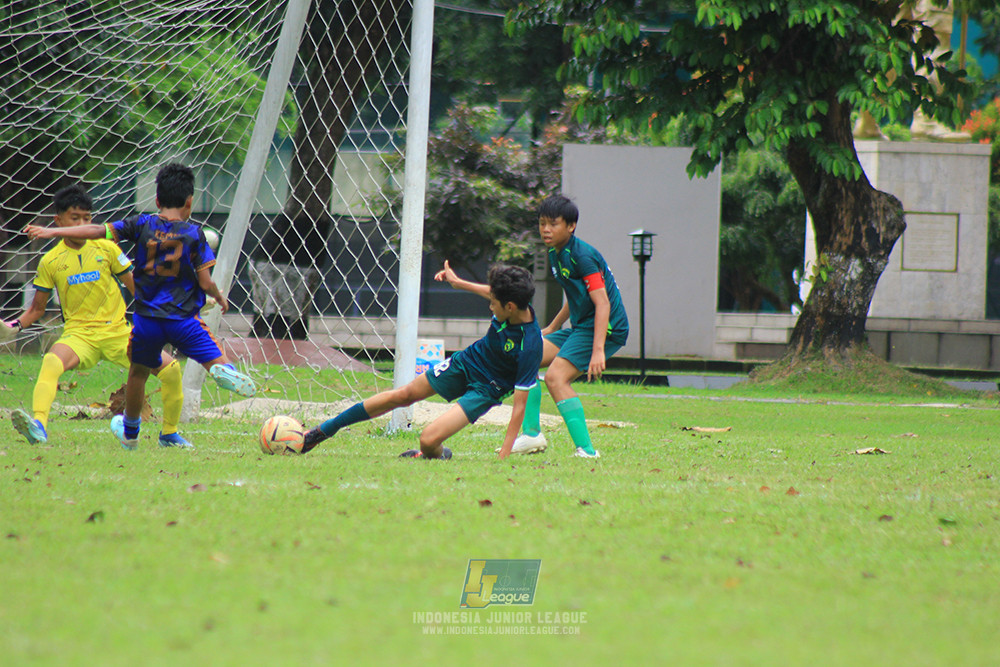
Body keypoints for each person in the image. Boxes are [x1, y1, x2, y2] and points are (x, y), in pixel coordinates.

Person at [25, 164, 255, 450]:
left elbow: (100, 231)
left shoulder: (141, 224)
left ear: (157, 200)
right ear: (189, 201)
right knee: (203, 351)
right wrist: (217, 298)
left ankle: (132, 433)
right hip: (180, 318)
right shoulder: (195, 233)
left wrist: (48, 232)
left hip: (145, 321)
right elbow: (205, 280)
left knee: (138, 373)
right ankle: (221, 368)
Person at [5, 184, 192, 448]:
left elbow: (139, 289)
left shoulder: (107, 248)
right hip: (78, 336)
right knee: (50, 362)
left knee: (171, 369)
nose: (82, 223)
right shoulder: (50, 261)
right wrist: (12, 327)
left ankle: (169, 434)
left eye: (87, 218)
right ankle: (39, 427)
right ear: (59, 221)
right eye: (75, 218)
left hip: (118, 332)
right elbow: (36, 309)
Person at [299, 263, 542, 460]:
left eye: (493, 303)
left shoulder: (530, 346)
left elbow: (520, 406)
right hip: (467, 361)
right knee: (403, 395)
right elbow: (492, 293)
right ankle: (324, 430)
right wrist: (458, 283)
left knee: (428, 440)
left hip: (487, 388)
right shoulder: (510, 301)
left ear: (510, 307)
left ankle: (434, 456)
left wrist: (504, 456)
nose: (490, 305)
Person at [450, 194, 628, 458]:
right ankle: (532, 435)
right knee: (525, 357)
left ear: (571, 226)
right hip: (582, 327)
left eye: (553, 224)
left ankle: (587, 451)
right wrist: (553, 326)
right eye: (542, 223)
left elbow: (602, 304)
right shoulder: (558, 254)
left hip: (605, 328)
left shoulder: (583, 256)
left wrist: (598, 349)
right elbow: (576, 296)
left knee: (556, 378)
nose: (546, 229)